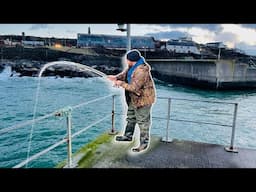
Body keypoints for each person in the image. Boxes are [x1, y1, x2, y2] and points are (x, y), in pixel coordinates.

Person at [107, 49, 156, 152]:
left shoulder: (141, 71)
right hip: (134, 98)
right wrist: (115, 77)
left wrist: (120, 84)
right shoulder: (133, 66)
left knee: (143, 122)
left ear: (131, 60)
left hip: (143, 99)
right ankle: (128, 136)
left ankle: (144, 144)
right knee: (131, 117)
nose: (126, 61)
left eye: (127, 60)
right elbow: (125, 75)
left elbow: (134, 88)